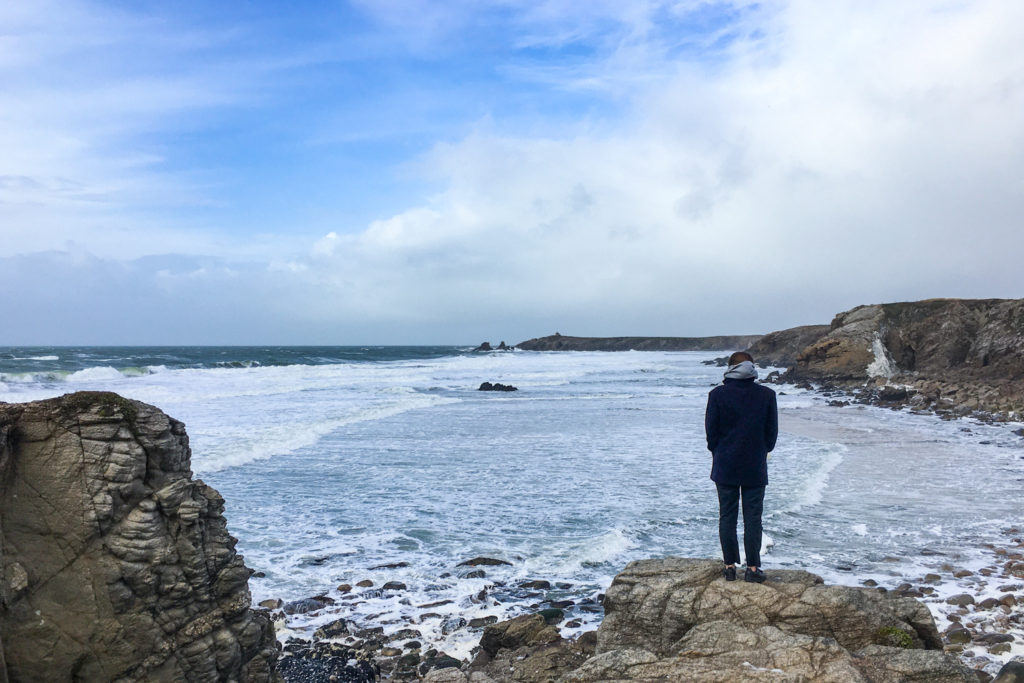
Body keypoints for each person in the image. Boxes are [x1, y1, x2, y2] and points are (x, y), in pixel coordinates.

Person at [705, 351, 778, 583]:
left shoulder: (717, 394)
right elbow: (771, 435)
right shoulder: (767, 395)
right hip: (754, 464)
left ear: (729, 368)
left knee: (727, 516)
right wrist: (760, 450)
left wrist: (720, 451)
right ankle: (753, 569)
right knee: (753, 517)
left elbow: (711, 434)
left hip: (725, 464)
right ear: (752, 368)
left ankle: (729, 567)